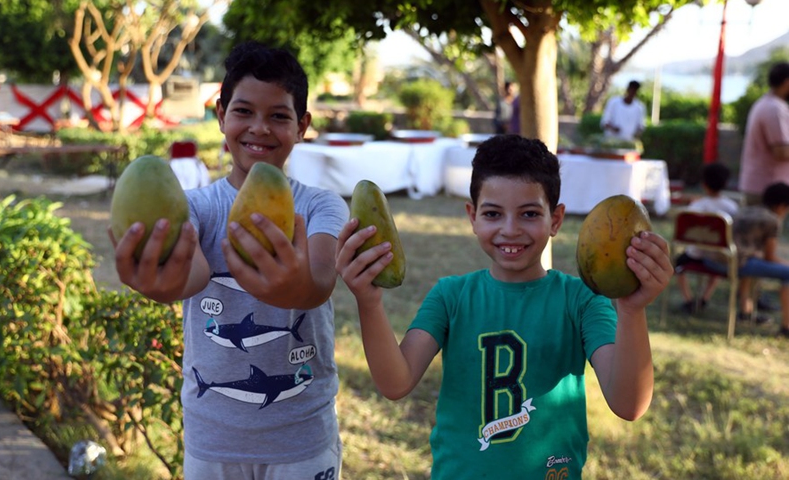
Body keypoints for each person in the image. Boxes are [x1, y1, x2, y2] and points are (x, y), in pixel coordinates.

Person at [335, 134, 673, 478]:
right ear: (472, 216)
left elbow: (629, 404)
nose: (510, 230)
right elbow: (396, 383)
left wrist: (631, 311)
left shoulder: (582, 300)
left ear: (555, 220)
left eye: (529, 214)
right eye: (493, 214)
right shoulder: (450, 296)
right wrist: (369, 301)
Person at [109, 41, 349, 479]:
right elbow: (194, 275)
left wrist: (291, 286)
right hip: (213, 437)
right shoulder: (196, 208)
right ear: (221, 116)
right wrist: (161, 283)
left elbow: (318, 281)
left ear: (303, 126)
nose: (259, 128)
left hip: (301, 436)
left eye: (279, 115)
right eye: (243, 112)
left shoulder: (321, 206)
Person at [705, 182, 789, 336]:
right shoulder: (773, 220)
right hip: (733, 264)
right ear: (782, 206)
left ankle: (746, 311)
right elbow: (770, 257)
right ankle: (786, 326)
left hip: (713, 259)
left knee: (752, 260)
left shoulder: (746, 210)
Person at [675, 162, 740, 314]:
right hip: (720, 256)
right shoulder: (732, 207)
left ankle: (688, 300)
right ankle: (704, 298)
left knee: (678, 265)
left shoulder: (697, 206)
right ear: (725, 183)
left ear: (704, 184)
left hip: (696, 254)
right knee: (715, 267)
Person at [737, 62, 789, 207]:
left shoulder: (763, 104)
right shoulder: (775, 109)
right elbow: (781, 152)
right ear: (786, 82)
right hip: (769, 190)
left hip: (760, 186)